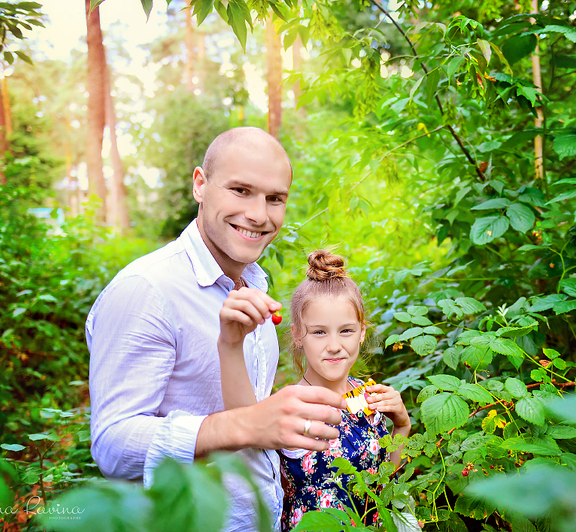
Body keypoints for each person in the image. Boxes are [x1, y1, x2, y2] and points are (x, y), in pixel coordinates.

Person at [85, 127, 347, 532]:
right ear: (200, 185)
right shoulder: (147, 290)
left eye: (274, 198)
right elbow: (112, 446)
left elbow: (249, 418)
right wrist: (247, 425)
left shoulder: (255, 285)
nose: (259, 214)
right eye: (241, 190)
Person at [218, 249, 411, 530]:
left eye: (346, 331)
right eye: (319, 332)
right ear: (298, 334)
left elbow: (384, 481)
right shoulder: (291, 406)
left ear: (362, 332)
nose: (334, 346)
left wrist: (402, 425)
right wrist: (231, 345)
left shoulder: (367, 396)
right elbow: (242, 422)